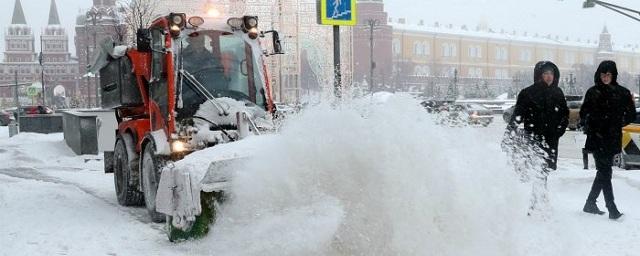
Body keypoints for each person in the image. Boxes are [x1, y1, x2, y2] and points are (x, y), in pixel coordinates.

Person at [506, 61, 569, 215]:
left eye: (551, 74)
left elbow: (564, 114)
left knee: (543, 172)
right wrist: (509, 133)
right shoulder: (528, 93)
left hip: (551, 139)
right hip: (534, 138)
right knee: (539, 171)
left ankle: (538, 203)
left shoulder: (558, 92)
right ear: (539, 75)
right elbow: (518, 115)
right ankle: (537, 205)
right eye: (546, 74)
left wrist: (559, 130)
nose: (549, 77)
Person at [580, 60, 635, 220]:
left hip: (612, 137)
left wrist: (617, 122)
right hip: (597, 138)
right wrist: (593, 124)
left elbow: (630, 114)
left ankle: (590, 203)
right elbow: (584, 113)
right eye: (603, 74)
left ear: (613, 75)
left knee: (603, 171)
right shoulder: (593, 92)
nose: (605, 77)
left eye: (608, 74)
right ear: (599, 75)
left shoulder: (623, 92)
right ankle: (612, 208)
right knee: (605, 171)